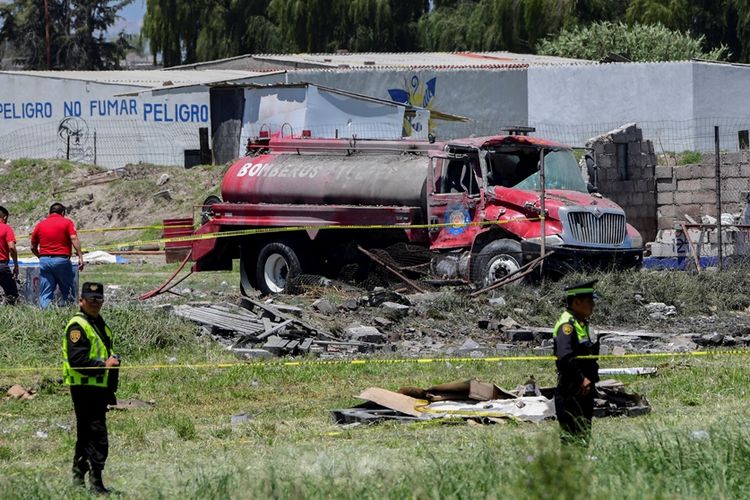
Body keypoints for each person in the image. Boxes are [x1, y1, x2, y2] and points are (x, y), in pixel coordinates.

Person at [63, 282, 120, 494]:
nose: (95, 303)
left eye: (98, 299)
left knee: (87, 435)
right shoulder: (77, 326)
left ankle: (79, 479)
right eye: (90, 299)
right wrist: (104, 365)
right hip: (85, 389)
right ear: (81, 301)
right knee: (97, 437)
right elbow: (77, 359)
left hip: (99, 388)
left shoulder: (97, 323)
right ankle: (96, 484)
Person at [552, 279, 600, 446]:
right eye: (589, 301)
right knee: (571, 441)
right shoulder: (567, 326)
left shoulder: (581, 323)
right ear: (577, 302)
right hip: (571, 391)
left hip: (583, 391)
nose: (593, 305)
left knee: (583, 438)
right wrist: (582, 379)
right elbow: (565, 357)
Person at [30, 202, 84, 308]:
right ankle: (68, 312)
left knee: (45, 292)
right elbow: (73, 238)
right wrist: (80, 256)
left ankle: (44, 316)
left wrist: (40, 256)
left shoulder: (40, 225)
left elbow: (32, 246)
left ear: (49, 212)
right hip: (61, 260)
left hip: (45, 260)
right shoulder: (67, 222)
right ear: (63, 212)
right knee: (67, 290)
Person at [0, 206, 19, 304]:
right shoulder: (6, 228)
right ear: (5, 217)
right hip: (1, 266)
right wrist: (16, 265)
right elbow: (11, 247)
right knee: (12, 296)